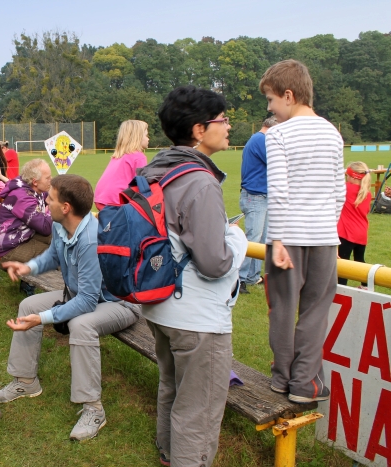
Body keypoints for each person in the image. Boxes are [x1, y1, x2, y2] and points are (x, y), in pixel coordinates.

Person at [136, 85, 248, 467]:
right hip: (196, 317)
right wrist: (237, 240)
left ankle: (169, 454)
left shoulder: (155, 169)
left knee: (172, 385)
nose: (228, 126)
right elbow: (214, 263)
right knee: (197, 408)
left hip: (159, 304)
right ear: (199, 130)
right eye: (223, 119)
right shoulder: (200, 181)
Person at [0, 174, 140, 441]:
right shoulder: (60, 225)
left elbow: (87, 301)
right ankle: (26, 382)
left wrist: (43, 318)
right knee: (28, 304)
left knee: (81, 324)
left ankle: (93, 409)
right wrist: (28, 267)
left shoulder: (90, 239)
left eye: (50, 198)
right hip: (82, 295)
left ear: (66, 207)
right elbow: (54, 255)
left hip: (118, 303)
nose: (45, 202)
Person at [260, 59, 345, 403]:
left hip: (287, 238)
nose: (269, 108)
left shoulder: (278, 134)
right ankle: (305, 383)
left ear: (288, 95)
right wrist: (329, 231)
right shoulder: (333, 132)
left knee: (282, 309)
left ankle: (282, 378)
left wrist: (278, 238)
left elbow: (278, 191)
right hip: (324, 238)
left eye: (270, 99)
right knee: (316, 311)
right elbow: (339, 193)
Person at [238, 116, 278, 294]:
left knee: (262, 239)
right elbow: (276, 162)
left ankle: (252, 276)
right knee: (253, 238)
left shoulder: (259, 139)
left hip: (262, 195)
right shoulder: (261, 140)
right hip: (255, 196)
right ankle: (240, 278)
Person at [0, 159, 53, 263]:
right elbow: (45, 228)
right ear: (35, 182)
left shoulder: (34, 189)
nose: (51, 180)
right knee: (56, 252)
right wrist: (53, 205)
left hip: (22, 237)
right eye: (48, 178)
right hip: (7, 251)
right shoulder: (23, 198)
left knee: (59, 237)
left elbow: (49, 197)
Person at [94, 120, 149, 210]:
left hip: (101, 199)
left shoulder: (119, 156)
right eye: (146, 135)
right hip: (116, 201)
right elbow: (142, 185)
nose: (148, 139)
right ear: (138, 137)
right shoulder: (139, 157)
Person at [337, 162, 372, 287]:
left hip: (346, 232)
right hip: (361, 232)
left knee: (343, 263)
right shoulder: (367, 193)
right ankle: (366, 286)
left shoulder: (345, 188)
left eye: (347, 175)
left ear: (352, 176)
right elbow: (366, 210)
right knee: (360, 260)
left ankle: (341, 289)